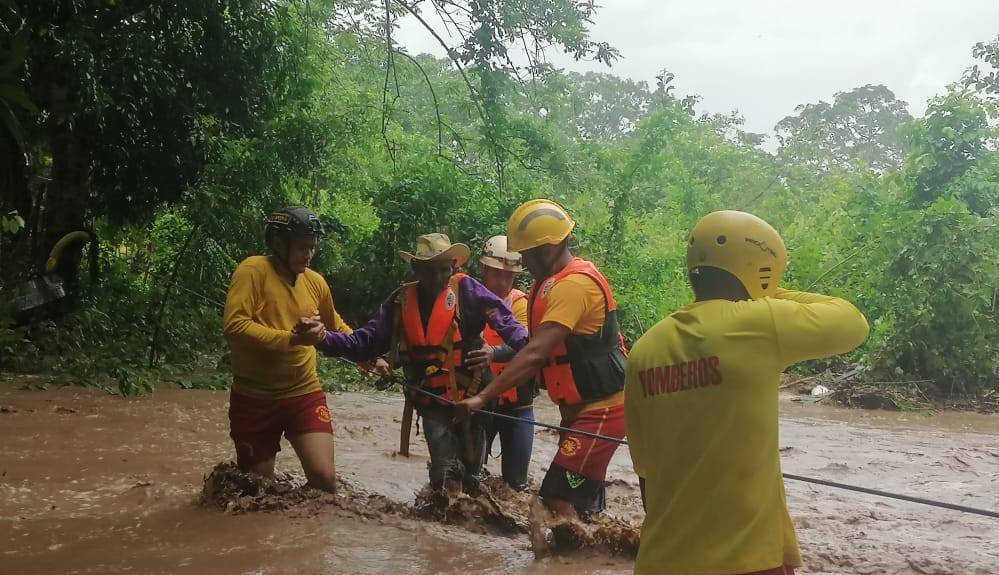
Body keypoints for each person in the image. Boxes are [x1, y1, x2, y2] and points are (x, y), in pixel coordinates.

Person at [623, 210, 870, 575]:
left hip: (660, 560)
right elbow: (852, 322)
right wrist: (771, 295)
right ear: (762, 270)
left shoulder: (644, 349)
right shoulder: (760, 323)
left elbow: (645, 472)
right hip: (745, 561)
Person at [308, 233, 529, 496]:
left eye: (444, 271)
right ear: (416, 269)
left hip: (474, 404)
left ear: (453, 268)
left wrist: (534, 346)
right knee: (447, 480)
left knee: (471, 479)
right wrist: (322, 338)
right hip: (433, 404)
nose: (438, 279)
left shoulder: (469, 292)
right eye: (430, 271)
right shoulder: (401, 300)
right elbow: (363, 343)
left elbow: (509, 325)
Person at [455, 199, 628, 520]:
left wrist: (481, 397)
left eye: (527, 255)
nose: (523, 264)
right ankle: (599, 555)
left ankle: (568, 562)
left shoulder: (573, 286)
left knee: (553, 499)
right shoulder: (544, 285)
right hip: (578, 412)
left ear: (549, 249)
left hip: (603, 411)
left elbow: (534, 353)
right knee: (582, 505)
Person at [222, 205, 352, 493]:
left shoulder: (315, 282)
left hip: (303, 393)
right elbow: (235, 326)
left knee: (324, 480)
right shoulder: (252, 270)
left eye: (312, 248)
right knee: (258, 491)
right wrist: (292, 339)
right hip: (253, 398)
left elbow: (336, 326)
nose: (309, 255)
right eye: (302, 248)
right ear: (279, 243)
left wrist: (367, 355)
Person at [478, 235, 534, 491]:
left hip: (517, 405)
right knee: (471, 478)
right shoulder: (467, 300)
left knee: (516, 485)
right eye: (498, 274)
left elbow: (522, 343)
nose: (503, 282)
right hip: (479, 402)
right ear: (484, 270)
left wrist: (492, 352)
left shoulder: (521, 304)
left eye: (509, 276)